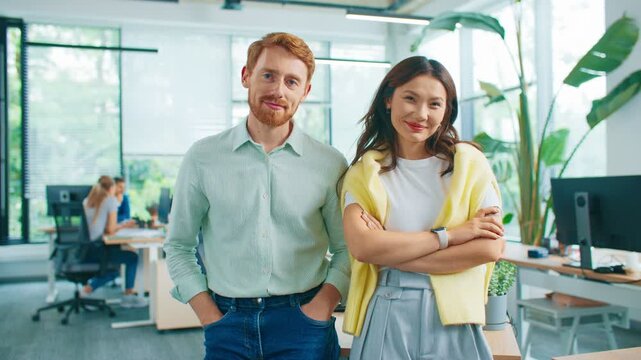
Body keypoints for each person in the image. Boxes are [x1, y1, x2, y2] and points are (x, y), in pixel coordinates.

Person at [163, 32, 349, 360]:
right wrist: (209, 314)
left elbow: (347, 249)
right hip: (227, 323)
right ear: (246, 76)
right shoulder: (203, 157)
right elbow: (178, 245)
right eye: (268, 75)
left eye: (292, 82)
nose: (279, 90)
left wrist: (321, 307)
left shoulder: (329, 163)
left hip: (304, 322)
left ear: (305, 92)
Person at [340, 56, 506, 359]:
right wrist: (452, 236)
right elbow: (363, 247)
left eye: (434, 104)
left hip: (454, 318)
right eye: (410, 98)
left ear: (446, 111)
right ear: (389, 99)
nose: (420, 114)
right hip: (386, 311)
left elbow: (489, 249)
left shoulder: (469, 165)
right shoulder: (364, 173)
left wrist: (390, 256)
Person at [82, 175, 147, 308]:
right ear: (111, 188)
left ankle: (86, 290)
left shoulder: (87, 201)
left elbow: (102, 227)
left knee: (118, 263)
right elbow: (111, 229)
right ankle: (127, 296)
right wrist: (123, 225)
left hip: (87, 249)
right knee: (132, 258)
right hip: (99, 248)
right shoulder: (110, 200)